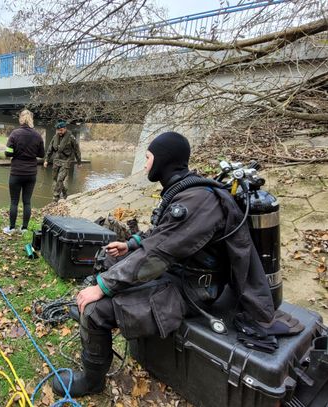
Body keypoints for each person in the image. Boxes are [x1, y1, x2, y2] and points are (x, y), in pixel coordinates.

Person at [52, 131, 277, 397]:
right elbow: (163, 234)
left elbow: (157, 257)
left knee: (96, 310)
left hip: (193, 289)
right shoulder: (188, 192)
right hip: (178, 271)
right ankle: (98, 325)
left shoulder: (198, 202)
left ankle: (91, 381)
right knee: (109, 256)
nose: (145, 164)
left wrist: (103, 287)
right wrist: (131, 244)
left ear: (164, 160)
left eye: (148, 157)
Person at [3, 109, 45, 235]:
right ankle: (25, 228)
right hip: (31, 173)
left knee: (14, 201)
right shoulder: (37, 136)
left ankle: (11, 228)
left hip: (16, 172)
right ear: (31, 119)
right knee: (27, 201)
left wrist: (15, 153)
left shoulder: (15, 134)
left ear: (21, 119)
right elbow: (41, 154)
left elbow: (8, 153)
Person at [43, 121, 81, 202]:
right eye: (58, 130)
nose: (59, 132)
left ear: (65, 129)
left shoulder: (71, 137)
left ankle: (55, 198)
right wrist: (46, 160)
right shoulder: (55, 137)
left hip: (66, 161)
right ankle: (64, 191)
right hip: (56, 161)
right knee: (55, 179)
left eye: (61, 130)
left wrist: (79, 162)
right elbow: (50, 149)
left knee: (60, 179)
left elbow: (77, 150)